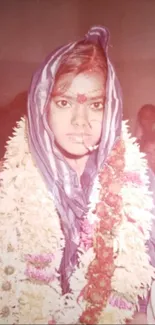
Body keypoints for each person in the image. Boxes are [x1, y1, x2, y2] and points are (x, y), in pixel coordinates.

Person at [0, 26, 155, 325]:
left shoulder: (144, 186)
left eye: (96, 105)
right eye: (63, 102)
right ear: (41, 106)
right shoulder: (11, 189)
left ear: (111, 108)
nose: (80, 121)